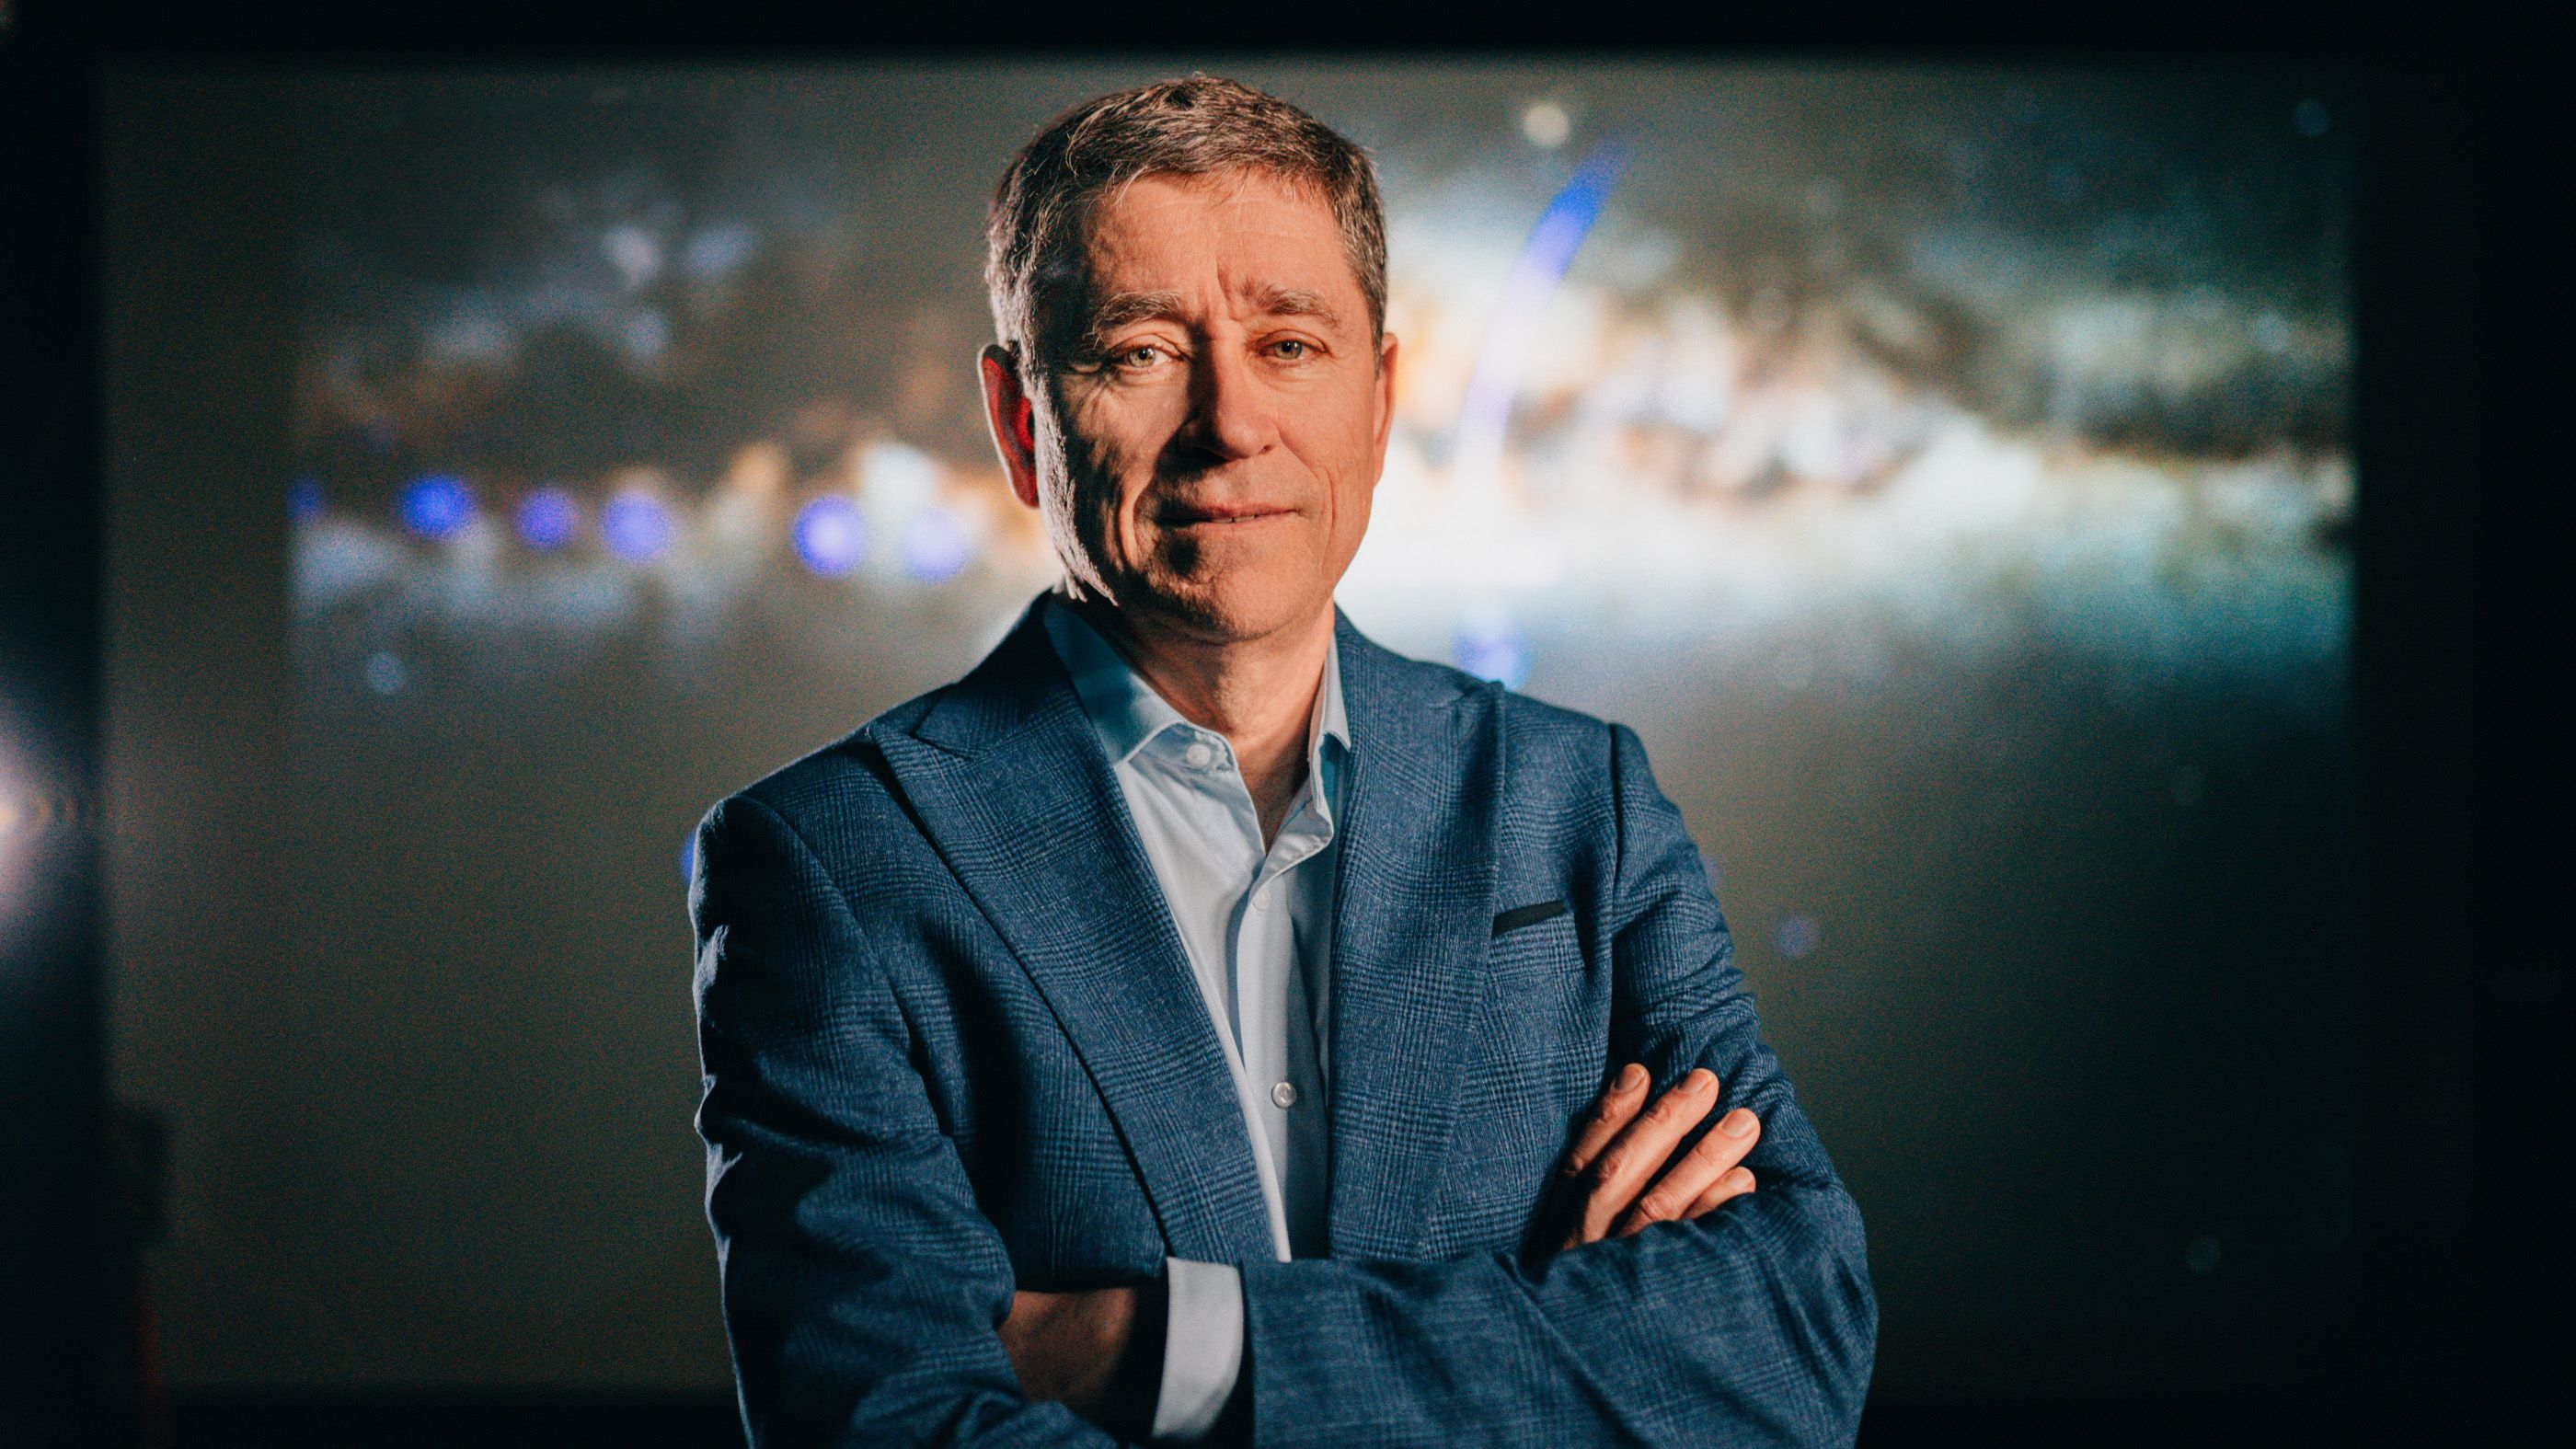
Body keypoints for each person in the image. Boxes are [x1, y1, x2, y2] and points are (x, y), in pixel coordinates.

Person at [688, 75, 1875, 1447]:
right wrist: (1562, 1335)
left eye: (1292, 345)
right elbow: (886, 1428)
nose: (1230, 424)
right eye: (1138, 351)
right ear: (1023, 426)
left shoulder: (1580, 806)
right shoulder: (828, 864)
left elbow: (1793, 1339)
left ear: (1380, 400)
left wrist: (1165, 1349)